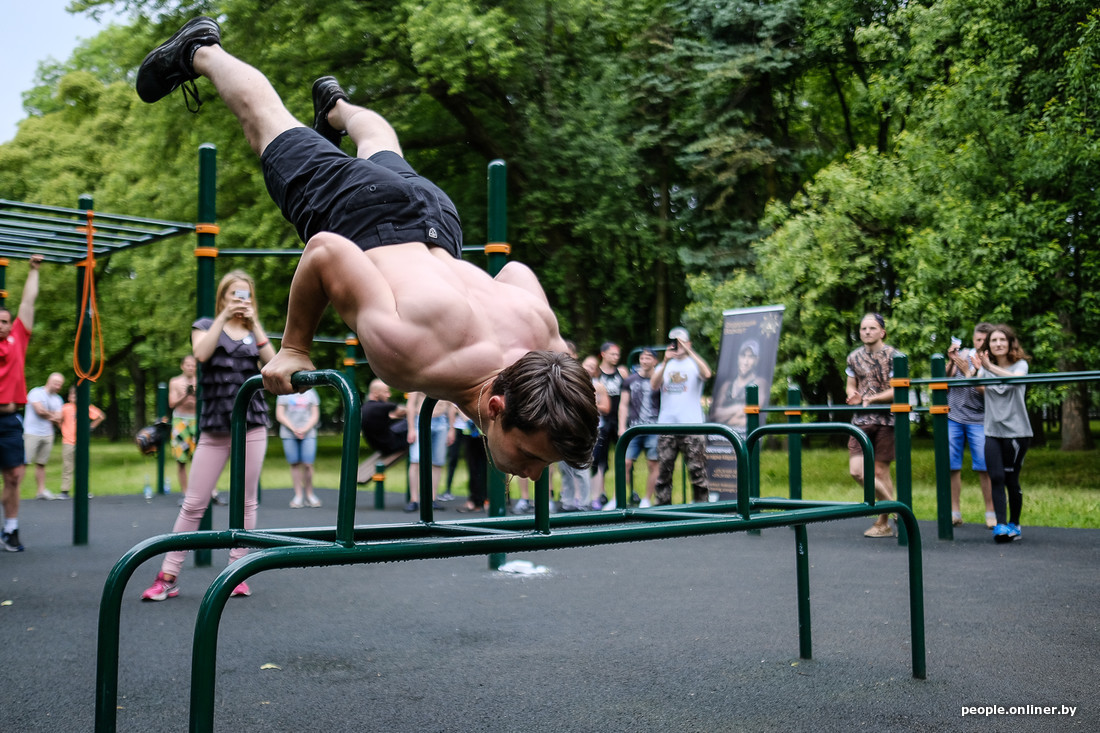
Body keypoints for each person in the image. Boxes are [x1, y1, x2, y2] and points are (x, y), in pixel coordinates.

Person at [136, 18, 598, 481]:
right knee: (266, 126)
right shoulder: (413, 354)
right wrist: (295, 348)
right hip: (363, 216)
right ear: (496, 407)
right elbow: (324, 251)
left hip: (438, 217)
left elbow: (517, 274)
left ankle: (336, 108)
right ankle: (201, 49)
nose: (536, 475)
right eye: (533, 458)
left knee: (380, 144)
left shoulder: (547, 352)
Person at [141, 270, 275, 601]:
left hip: (251, 423)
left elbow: (273, 366)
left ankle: (237, 573)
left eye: (246, 295)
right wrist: (224, 317)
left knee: (246, 501)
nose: (240, 300)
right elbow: (201, 355)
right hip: (215, 425)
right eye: (234, 295)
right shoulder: (205, 326)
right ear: (223, 297)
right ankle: (168, 576)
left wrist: (254, 323)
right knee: (194, 503)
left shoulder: (254, 331)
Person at [0, 255, 43, 552]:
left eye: (4, 321)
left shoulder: (17, 337)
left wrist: (33, 271)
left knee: (15, 476)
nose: (1, 325)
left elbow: (27, 304)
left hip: (9, 420)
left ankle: (11, 529)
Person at [845, 313, 900, 538]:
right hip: (861, 420)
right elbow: (850, 386)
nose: (867, 332)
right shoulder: (854, 357)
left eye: (872, 328)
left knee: (879, 471)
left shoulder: (895, 356)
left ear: (882, 332)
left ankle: (883, 523)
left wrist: (873, 399)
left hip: (887, 419)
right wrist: (854, 397)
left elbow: (898, 389)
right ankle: (897, 508)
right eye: (863, 328)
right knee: (857, 471)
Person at [976, 325, 1032, 543]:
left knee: (1011, 479)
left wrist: (989, 366)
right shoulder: (986, 368)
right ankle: (1000, 524)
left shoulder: (1021, 365)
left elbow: (1014, 379)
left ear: (1010, 343)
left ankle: (1014, 524)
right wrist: (970, 372)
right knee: (996, 477)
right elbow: (982, 387)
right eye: (993, 341)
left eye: (1002, 340)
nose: (998, 344)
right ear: (988, 345)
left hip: (1016, 432)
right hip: (992, 430)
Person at [651, 328, 713, 505]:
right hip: (667, 427)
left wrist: (688, 351)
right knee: (664, 473)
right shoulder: (666, 365)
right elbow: (654, 385)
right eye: (673, 342)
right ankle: (662, 511)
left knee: (698, 473)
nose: (676, 345)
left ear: (688, 343)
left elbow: (707, 374)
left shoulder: (694, 363)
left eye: (680, 342)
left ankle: (702, 509)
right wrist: (664, 361)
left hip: (692, 426)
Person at [945, 323, 996, 528]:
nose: (981, 344)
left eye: (985, 340)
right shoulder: (963, 355)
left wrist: (970, 373)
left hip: (979, 419)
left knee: (985, 467)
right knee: (951, 466)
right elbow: (945, 383)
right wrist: (951, 363)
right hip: (954, 418)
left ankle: (990, 512)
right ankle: (954, 512)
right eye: (978, 340)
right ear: (973, 339)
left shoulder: (992, 363)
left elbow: (989, 394)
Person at [615, 347, 660, 509]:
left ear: (655, 361)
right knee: (625, 463)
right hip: (634, 428)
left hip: (654, 429)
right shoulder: (630, 381)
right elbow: (623, 405)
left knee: (653, 464)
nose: (645, 361)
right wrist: (621, 427)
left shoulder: (659, 380)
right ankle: (618, 497)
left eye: (648, 358)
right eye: (642, 358)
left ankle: (647, 499)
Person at [590, 342, 628, 508]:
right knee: (600, 459)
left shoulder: (622, 373)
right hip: (602, 421)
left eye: (618, 355)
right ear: (603, 354)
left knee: (623, 457)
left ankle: (621, 493)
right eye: (612, 354)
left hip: (618, 420)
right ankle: (601, 492)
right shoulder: (597, 373)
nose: (616, 357)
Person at [404, 393, 454, 512]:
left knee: (437, 462)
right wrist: (410, 428)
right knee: (416, 460)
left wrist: (452, 428)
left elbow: (451, 405)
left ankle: (432, 498)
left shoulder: (445, 379)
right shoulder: (420, 378)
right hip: (419, 418)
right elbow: (410, 405)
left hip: (441, 420)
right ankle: (414, 499)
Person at [276, 387, 322, 508]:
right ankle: (298, 495)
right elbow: (280, 414)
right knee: (295, 463)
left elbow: (315, 415)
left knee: (308, 464)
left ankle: (310, 494)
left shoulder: (311, 393)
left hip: (308, 433)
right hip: (289, 433)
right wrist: (294, 429)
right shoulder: (284, 392)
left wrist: (305, 429)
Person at [24, 372, 65, 501]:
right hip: (31, 433)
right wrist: (52, 415)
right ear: (50, 381)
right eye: (56, 383)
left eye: (60, 384)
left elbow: (59, 417)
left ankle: (41, 491)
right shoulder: (36, 392)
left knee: (41, 463)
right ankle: (14, 489)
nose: (58, 386)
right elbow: (39, 411)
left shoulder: (58, 399)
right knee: (23, 462)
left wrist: (49, 414)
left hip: (48, 434)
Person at [59, 386, 105, 498]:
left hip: (81, 442)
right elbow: (58, 419)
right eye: (73, 395)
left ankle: (83, 490)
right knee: (68, 466)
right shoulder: (66, 408)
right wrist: (63, 430)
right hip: (68, 441)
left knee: (82, 466)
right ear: (70, 397)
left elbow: (101, 416)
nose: (75, 397)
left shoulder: (86, 407)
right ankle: (65, 491)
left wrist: (91, 426)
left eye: (78, 395)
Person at [710, 340, 760, 431]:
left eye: (750, 357)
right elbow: (715, 415)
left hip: (747, 437)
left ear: (757, 360)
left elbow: (752, 418)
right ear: (738, 358)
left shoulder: (759, 383)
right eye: (743, 356)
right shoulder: (727, 385)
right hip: (722, 439)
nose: (746, 361)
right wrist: (738, 408)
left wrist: (726, 416)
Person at [167, 354, 199, 494]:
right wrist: (186, 395)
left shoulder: (201, 381)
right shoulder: (175, 382)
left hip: (197, 419)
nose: (191, 368)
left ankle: (209, 492)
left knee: (202, 458)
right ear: (182, 366)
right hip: (180, 421)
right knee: (181, 459)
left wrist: (195, 393)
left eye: (193, 365)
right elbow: (172, 403)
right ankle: (185, 493)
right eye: (188, 365)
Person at [361, 379, 408, 456]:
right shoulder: (381, 407)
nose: (389, 395)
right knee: (415, 420)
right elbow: (406, 410)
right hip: (392, 445)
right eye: (386, 392)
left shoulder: (365, 407)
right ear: (376, 393)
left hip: (379, 446)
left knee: (400, 424)